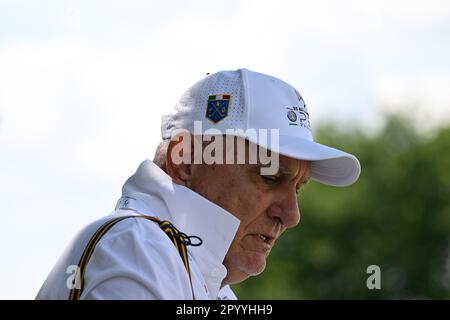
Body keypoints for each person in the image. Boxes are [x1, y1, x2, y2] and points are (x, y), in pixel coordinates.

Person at [36, 68, 360, 300]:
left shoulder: (206, 281)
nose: (291, 215)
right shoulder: (138, 246)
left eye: (298, 188)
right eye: (270, 177)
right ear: (186, 161)